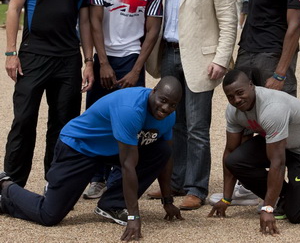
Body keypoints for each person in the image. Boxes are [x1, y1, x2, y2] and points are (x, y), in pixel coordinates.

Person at [0, 77, 184, 241]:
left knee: (160, 150)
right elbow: (128, 165)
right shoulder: (131, 109)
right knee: (49, 215)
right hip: (79, 147)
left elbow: (165, 157)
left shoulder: (169, 116)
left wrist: (167, 201)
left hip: (112, 149)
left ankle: (112, 204)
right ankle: (6, 187)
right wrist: (133, 218)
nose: (166, 108)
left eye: (172, 104)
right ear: (153, 91)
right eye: (163, 100)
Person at [147, 0, 237, 209]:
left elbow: (229, 20)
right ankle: (174, 182)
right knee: (174, 123)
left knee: (197, 126)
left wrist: (222, 59)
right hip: (169, 52)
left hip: (202, 59)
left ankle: (196, 188)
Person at [4, 0, 94, 187]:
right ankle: (11, 183)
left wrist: (88, 61)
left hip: (67, 58)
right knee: (24, 121)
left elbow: (85, 20)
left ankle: (55, 182)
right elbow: (14, 9)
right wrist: (10, 53)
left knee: (64, 125)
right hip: (33, 54)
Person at [208, 70, 300, 235]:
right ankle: (284, 199)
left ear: (251, 86)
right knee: (235, 161)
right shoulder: (233, 111)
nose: (236, 100)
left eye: (240, 93)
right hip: (278, 142)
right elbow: (230, 151)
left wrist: (267, 208)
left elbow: (277, 162)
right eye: (230, 97)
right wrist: (226, 198)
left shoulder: (272, 109)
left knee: (298, 213)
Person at [83, 0, 163, 199]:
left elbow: (152, 30)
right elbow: (94, 21)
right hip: (104, 56)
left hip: (131, 58)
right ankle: (97, 177)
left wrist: (136, 70)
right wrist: (102, 63)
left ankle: (118, 177)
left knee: (129, 121)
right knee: (96, 117)